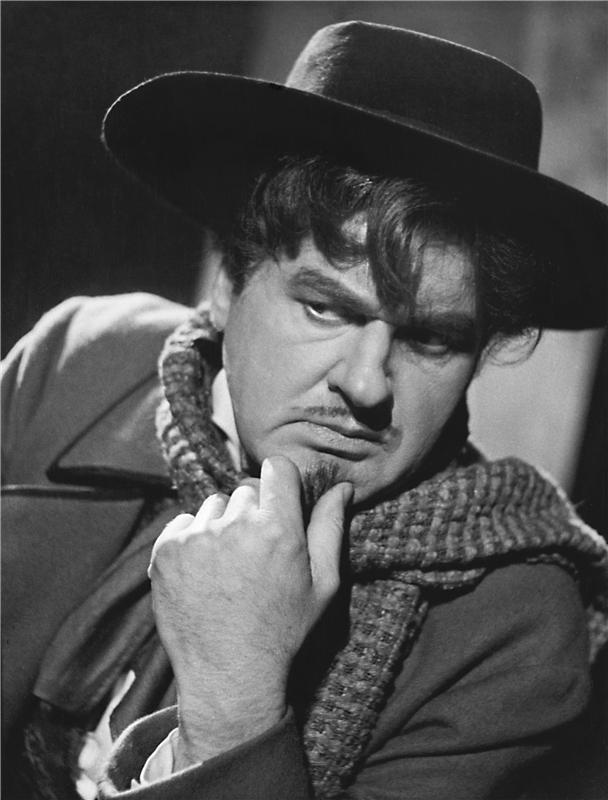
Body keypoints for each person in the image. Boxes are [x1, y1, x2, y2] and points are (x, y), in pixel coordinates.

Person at [2, 20, 608, 800]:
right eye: (326, 308)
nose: (367, 386)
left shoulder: (516, 631)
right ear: (229, 285)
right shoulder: (79, 360)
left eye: (430, 339)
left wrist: (234, 700)